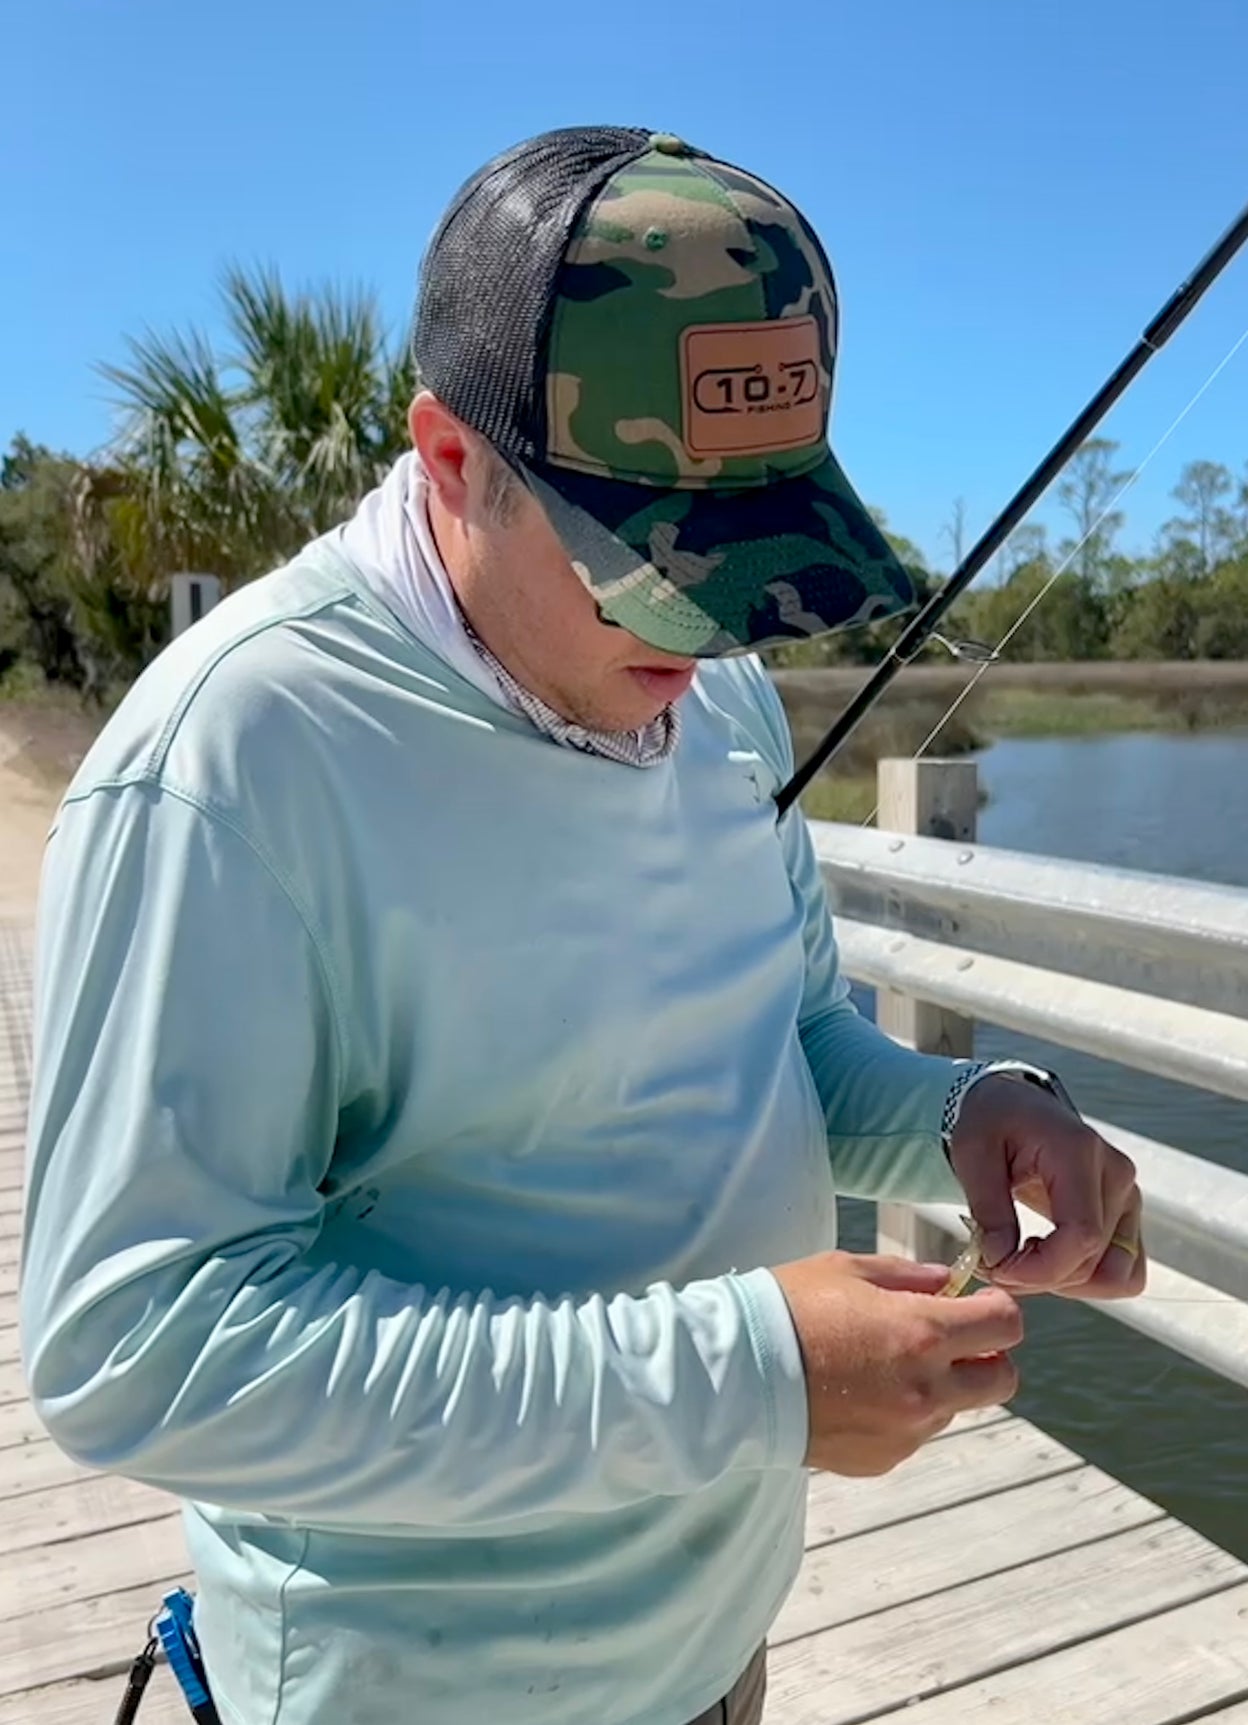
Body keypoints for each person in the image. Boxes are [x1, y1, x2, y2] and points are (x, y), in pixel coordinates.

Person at [20, 125, 1145, 1725]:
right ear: (450, 458)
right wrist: (747, 1378)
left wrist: (966, 1114)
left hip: (716, 1646)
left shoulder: (724, 699)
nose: (708, 636)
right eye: (651, 561)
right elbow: (139, 1344)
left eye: (750, 557)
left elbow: (786, 1035)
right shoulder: (235, 760)